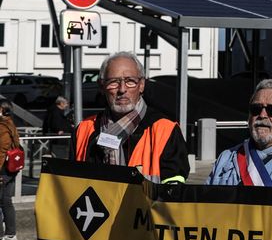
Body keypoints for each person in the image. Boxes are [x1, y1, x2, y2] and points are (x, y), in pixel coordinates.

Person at [71, 52, 188, 183]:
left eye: (130, 81)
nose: (122, 89)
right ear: (101, 86)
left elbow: (174, 193)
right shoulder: (83, 130)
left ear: (141, 85)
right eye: (113, 82)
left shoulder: (165, 130)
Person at [0, 100, 19, 240]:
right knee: (6, 201)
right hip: (10, 169)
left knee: (3, 202)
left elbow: (1, 151)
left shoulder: (3, 127)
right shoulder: (10, 123)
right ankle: (10, 235)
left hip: (3, 170)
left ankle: (2, 237)